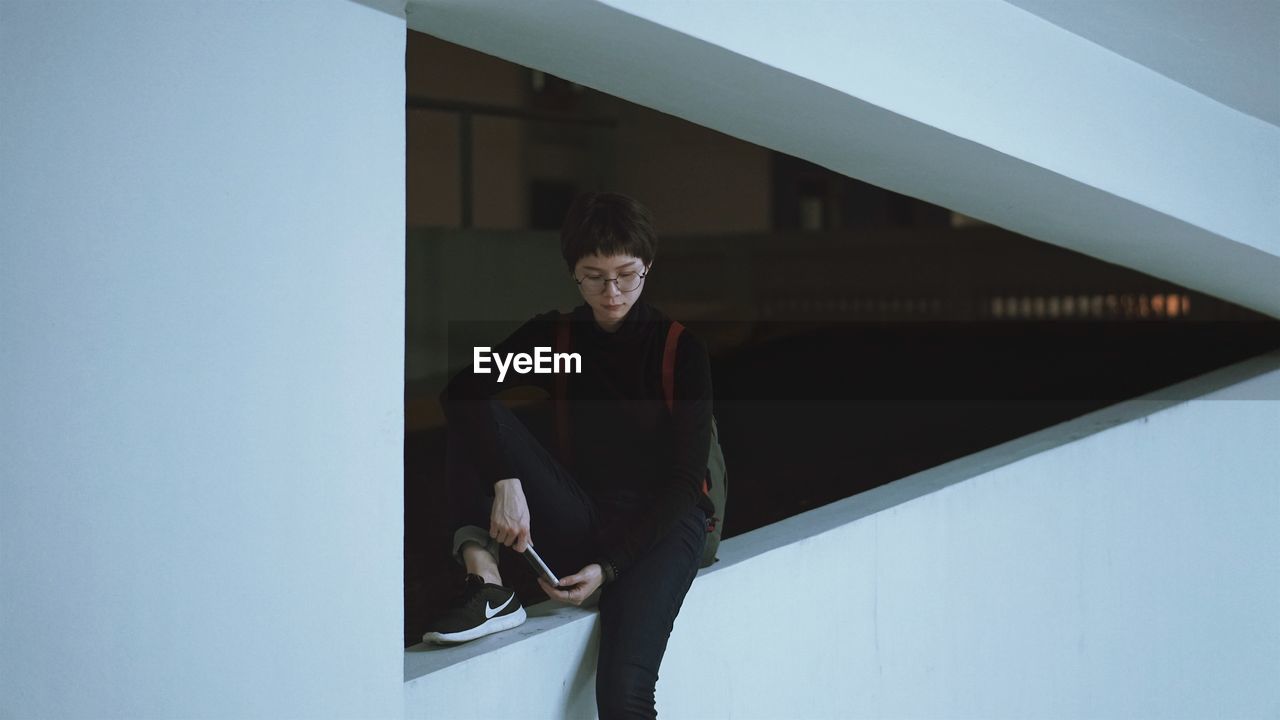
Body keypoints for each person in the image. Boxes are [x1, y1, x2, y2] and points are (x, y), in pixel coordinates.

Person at [423, 191, 716, 719]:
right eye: (594, 276)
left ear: (647, 267)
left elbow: (684, 481)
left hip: (662, 529)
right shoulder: (559, 342)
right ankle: (486, 583)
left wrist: (609, 568)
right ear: (573, 274)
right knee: (474, 413)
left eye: (626, 275)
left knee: (623, 696)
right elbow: (462, 391)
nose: (611, 292)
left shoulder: (678, 350)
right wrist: (505, 481)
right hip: (582, 514)